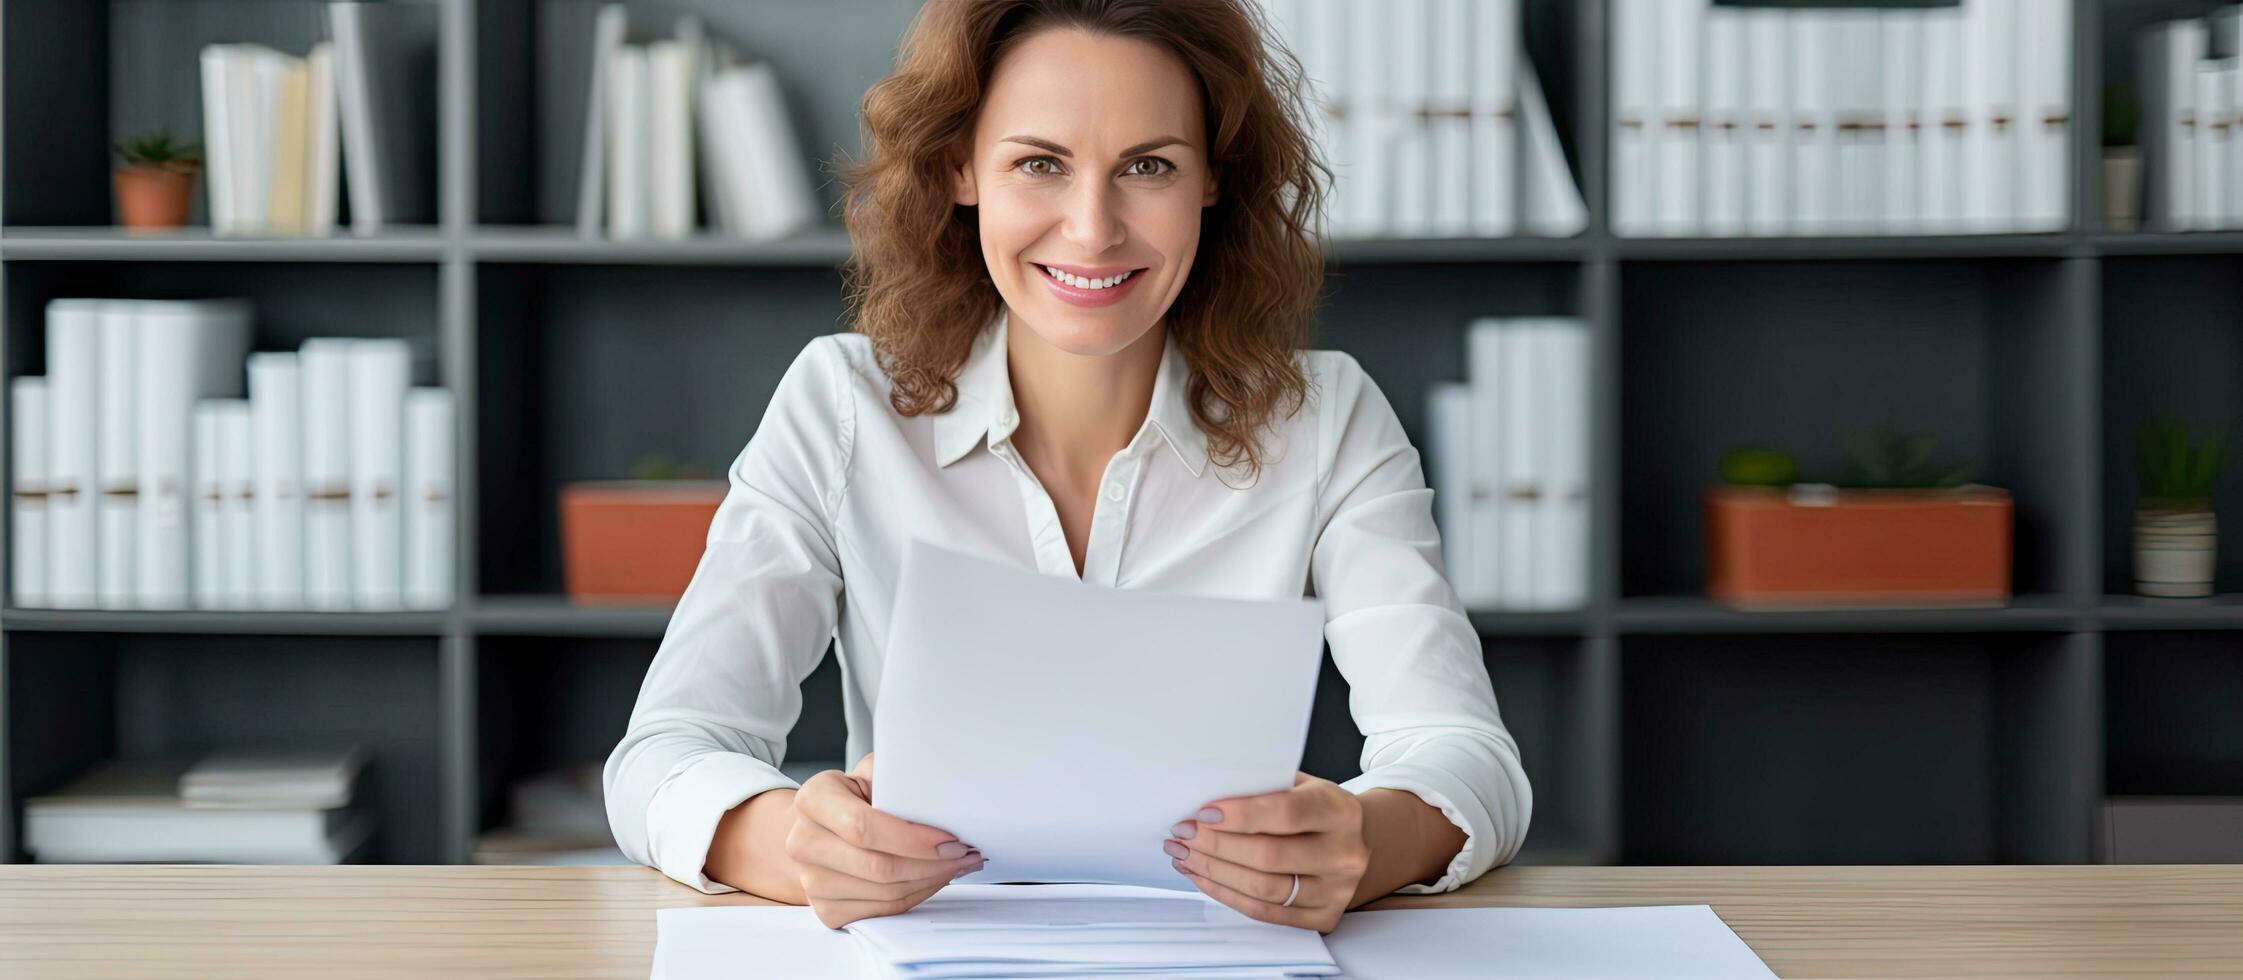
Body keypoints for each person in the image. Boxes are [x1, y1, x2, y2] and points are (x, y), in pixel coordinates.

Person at [604, 0, 1531, 934]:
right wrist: (792, 846)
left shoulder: (1324, 418)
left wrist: (1365, 842)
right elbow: (666, 752)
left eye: (1148, 166)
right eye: (1039, 163)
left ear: (1212, 178)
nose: (1091, 230)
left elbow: (1465, 755)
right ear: (961, 168)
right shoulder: (841, 406)